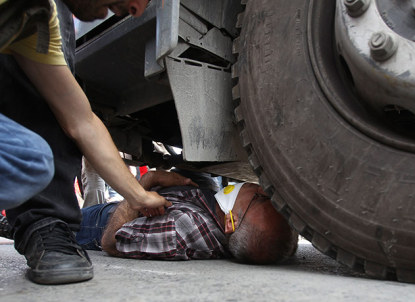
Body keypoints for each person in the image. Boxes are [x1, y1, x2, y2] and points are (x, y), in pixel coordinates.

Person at [0, 0, 166, 285]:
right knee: (32, 160)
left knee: (29, 163)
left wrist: (140, 195)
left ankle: (46, 224)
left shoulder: (38, 20)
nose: (138, 9)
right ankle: (43, 220)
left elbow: (81, 121)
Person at [76, 171, 298, 264]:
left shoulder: (182, 229)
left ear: (232, 222)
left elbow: (110, 242)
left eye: (260, 198)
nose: (262, 189)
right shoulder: (218, 216)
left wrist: (147, 181)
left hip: (94, 224)